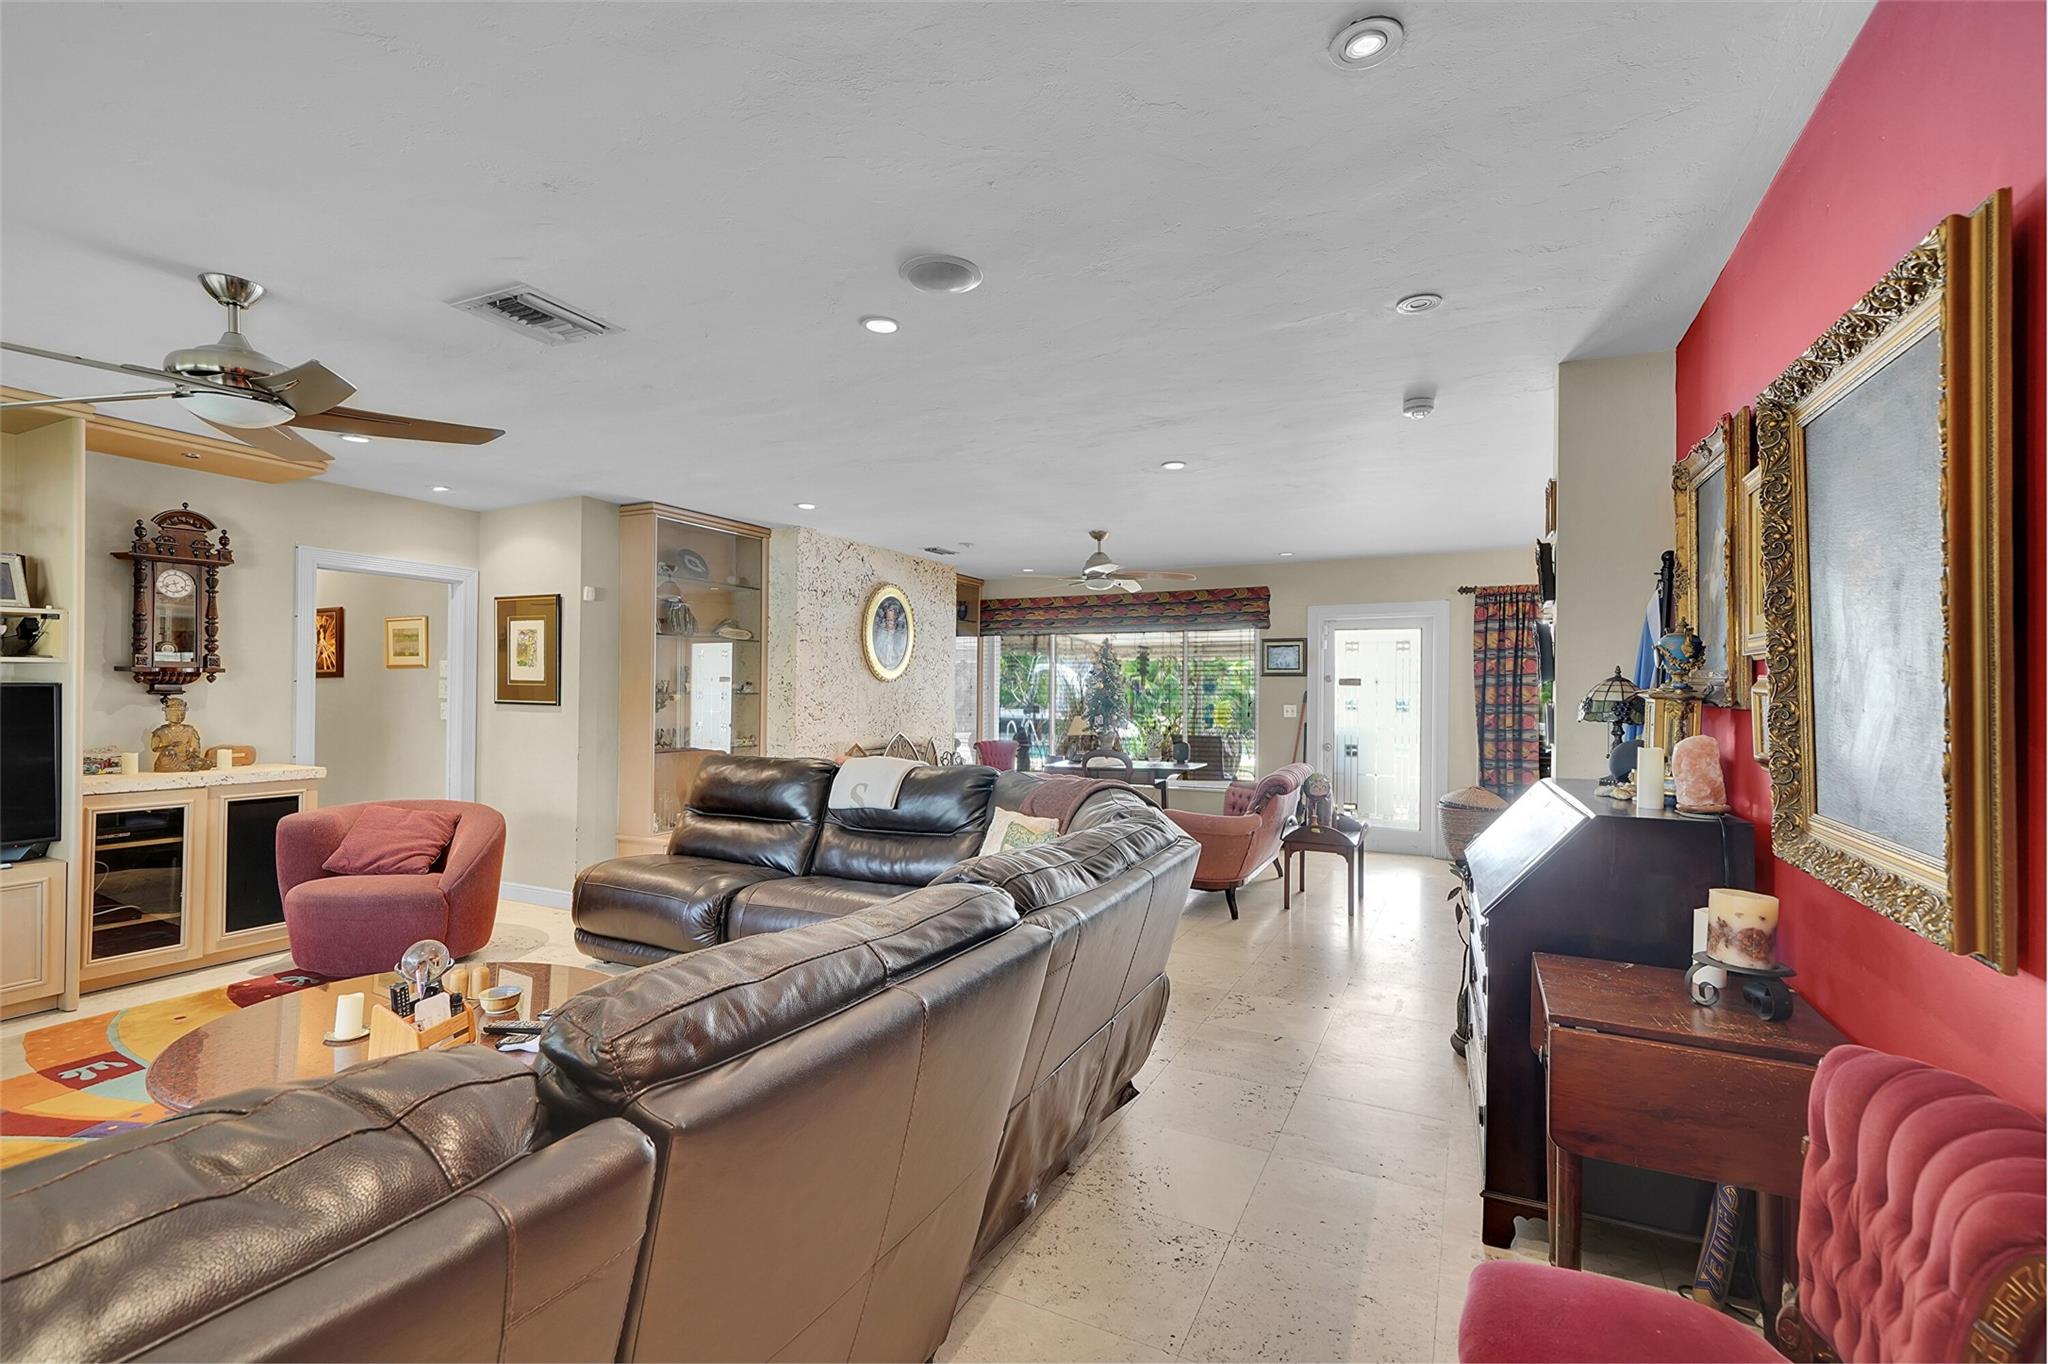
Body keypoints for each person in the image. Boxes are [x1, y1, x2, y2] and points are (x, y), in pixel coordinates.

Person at [872, 597, 909, 671]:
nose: (889, 623)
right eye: (887, 620)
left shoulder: (901, 637)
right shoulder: (880, 635)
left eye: (891, 620)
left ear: (896, 620)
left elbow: (900, 653)